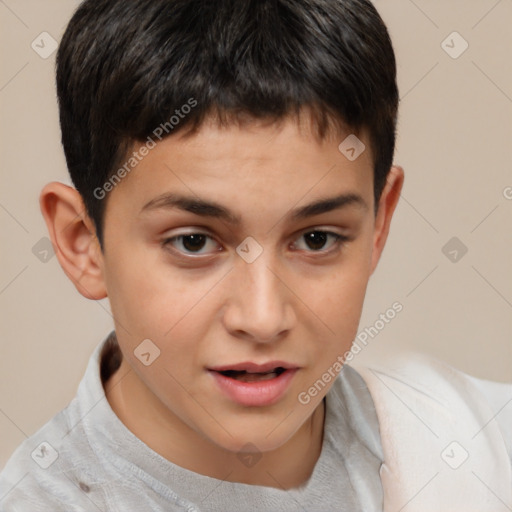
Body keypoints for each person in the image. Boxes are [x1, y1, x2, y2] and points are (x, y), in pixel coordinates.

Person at [1, 0, 510, 510]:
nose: (263, 318)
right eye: (194, 242)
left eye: (317, 239)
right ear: (81, 243)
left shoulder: (482, 451)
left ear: (379, 223)